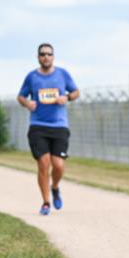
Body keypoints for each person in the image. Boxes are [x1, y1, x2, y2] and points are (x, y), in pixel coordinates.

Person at [17, 43, 80, 215]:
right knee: (44, 164)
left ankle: (55, 187)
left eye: (49, 54)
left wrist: (66, 97)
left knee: (58, 165)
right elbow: (21, 96)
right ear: (38, 57)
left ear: (53, 57)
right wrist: (27, 103)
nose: (46, 57)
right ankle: (45, 202)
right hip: (38, 126)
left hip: (59, 125)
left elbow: (76, 92)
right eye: (42, 54)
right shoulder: (32, 77)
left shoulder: (62, 74)